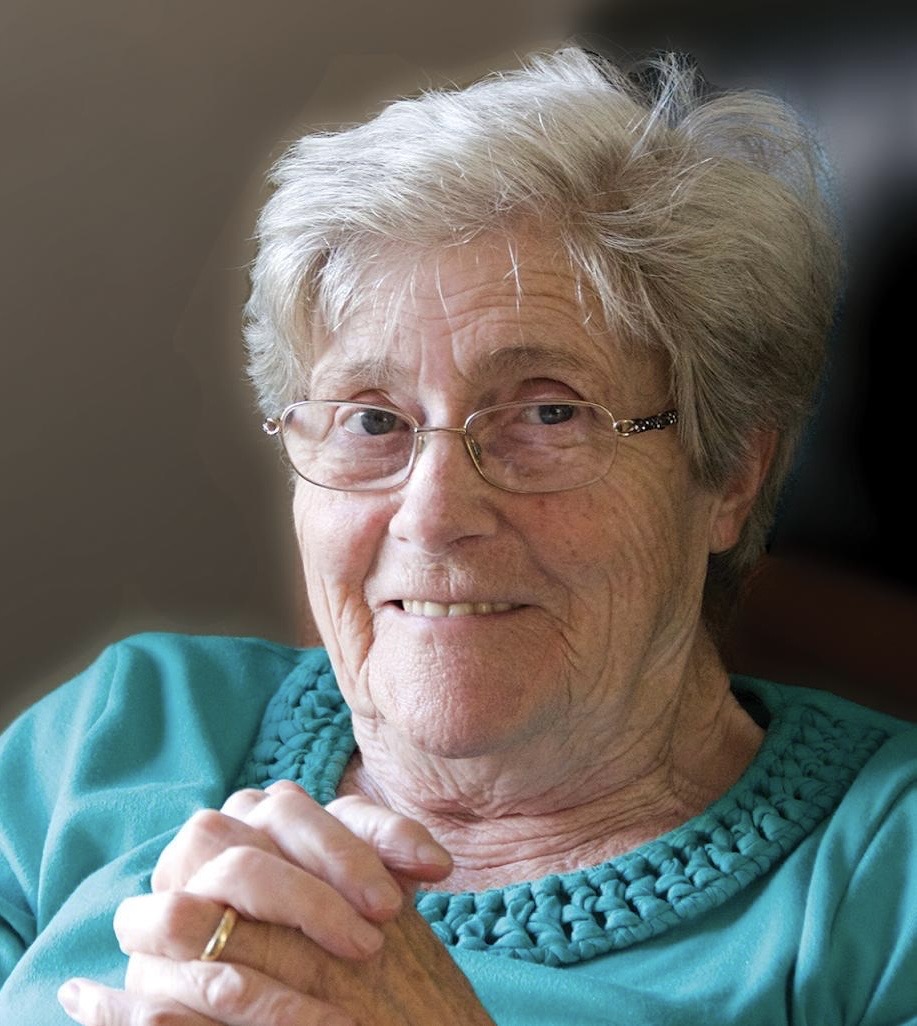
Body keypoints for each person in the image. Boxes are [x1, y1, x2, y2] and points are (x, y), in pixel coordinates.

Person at [1, 46, 914, 1026]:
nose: (433, 514)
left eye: (548, 414)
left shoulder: (881, 882)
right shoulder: (120, 735)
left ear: (728, 471)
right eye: (371, 418)